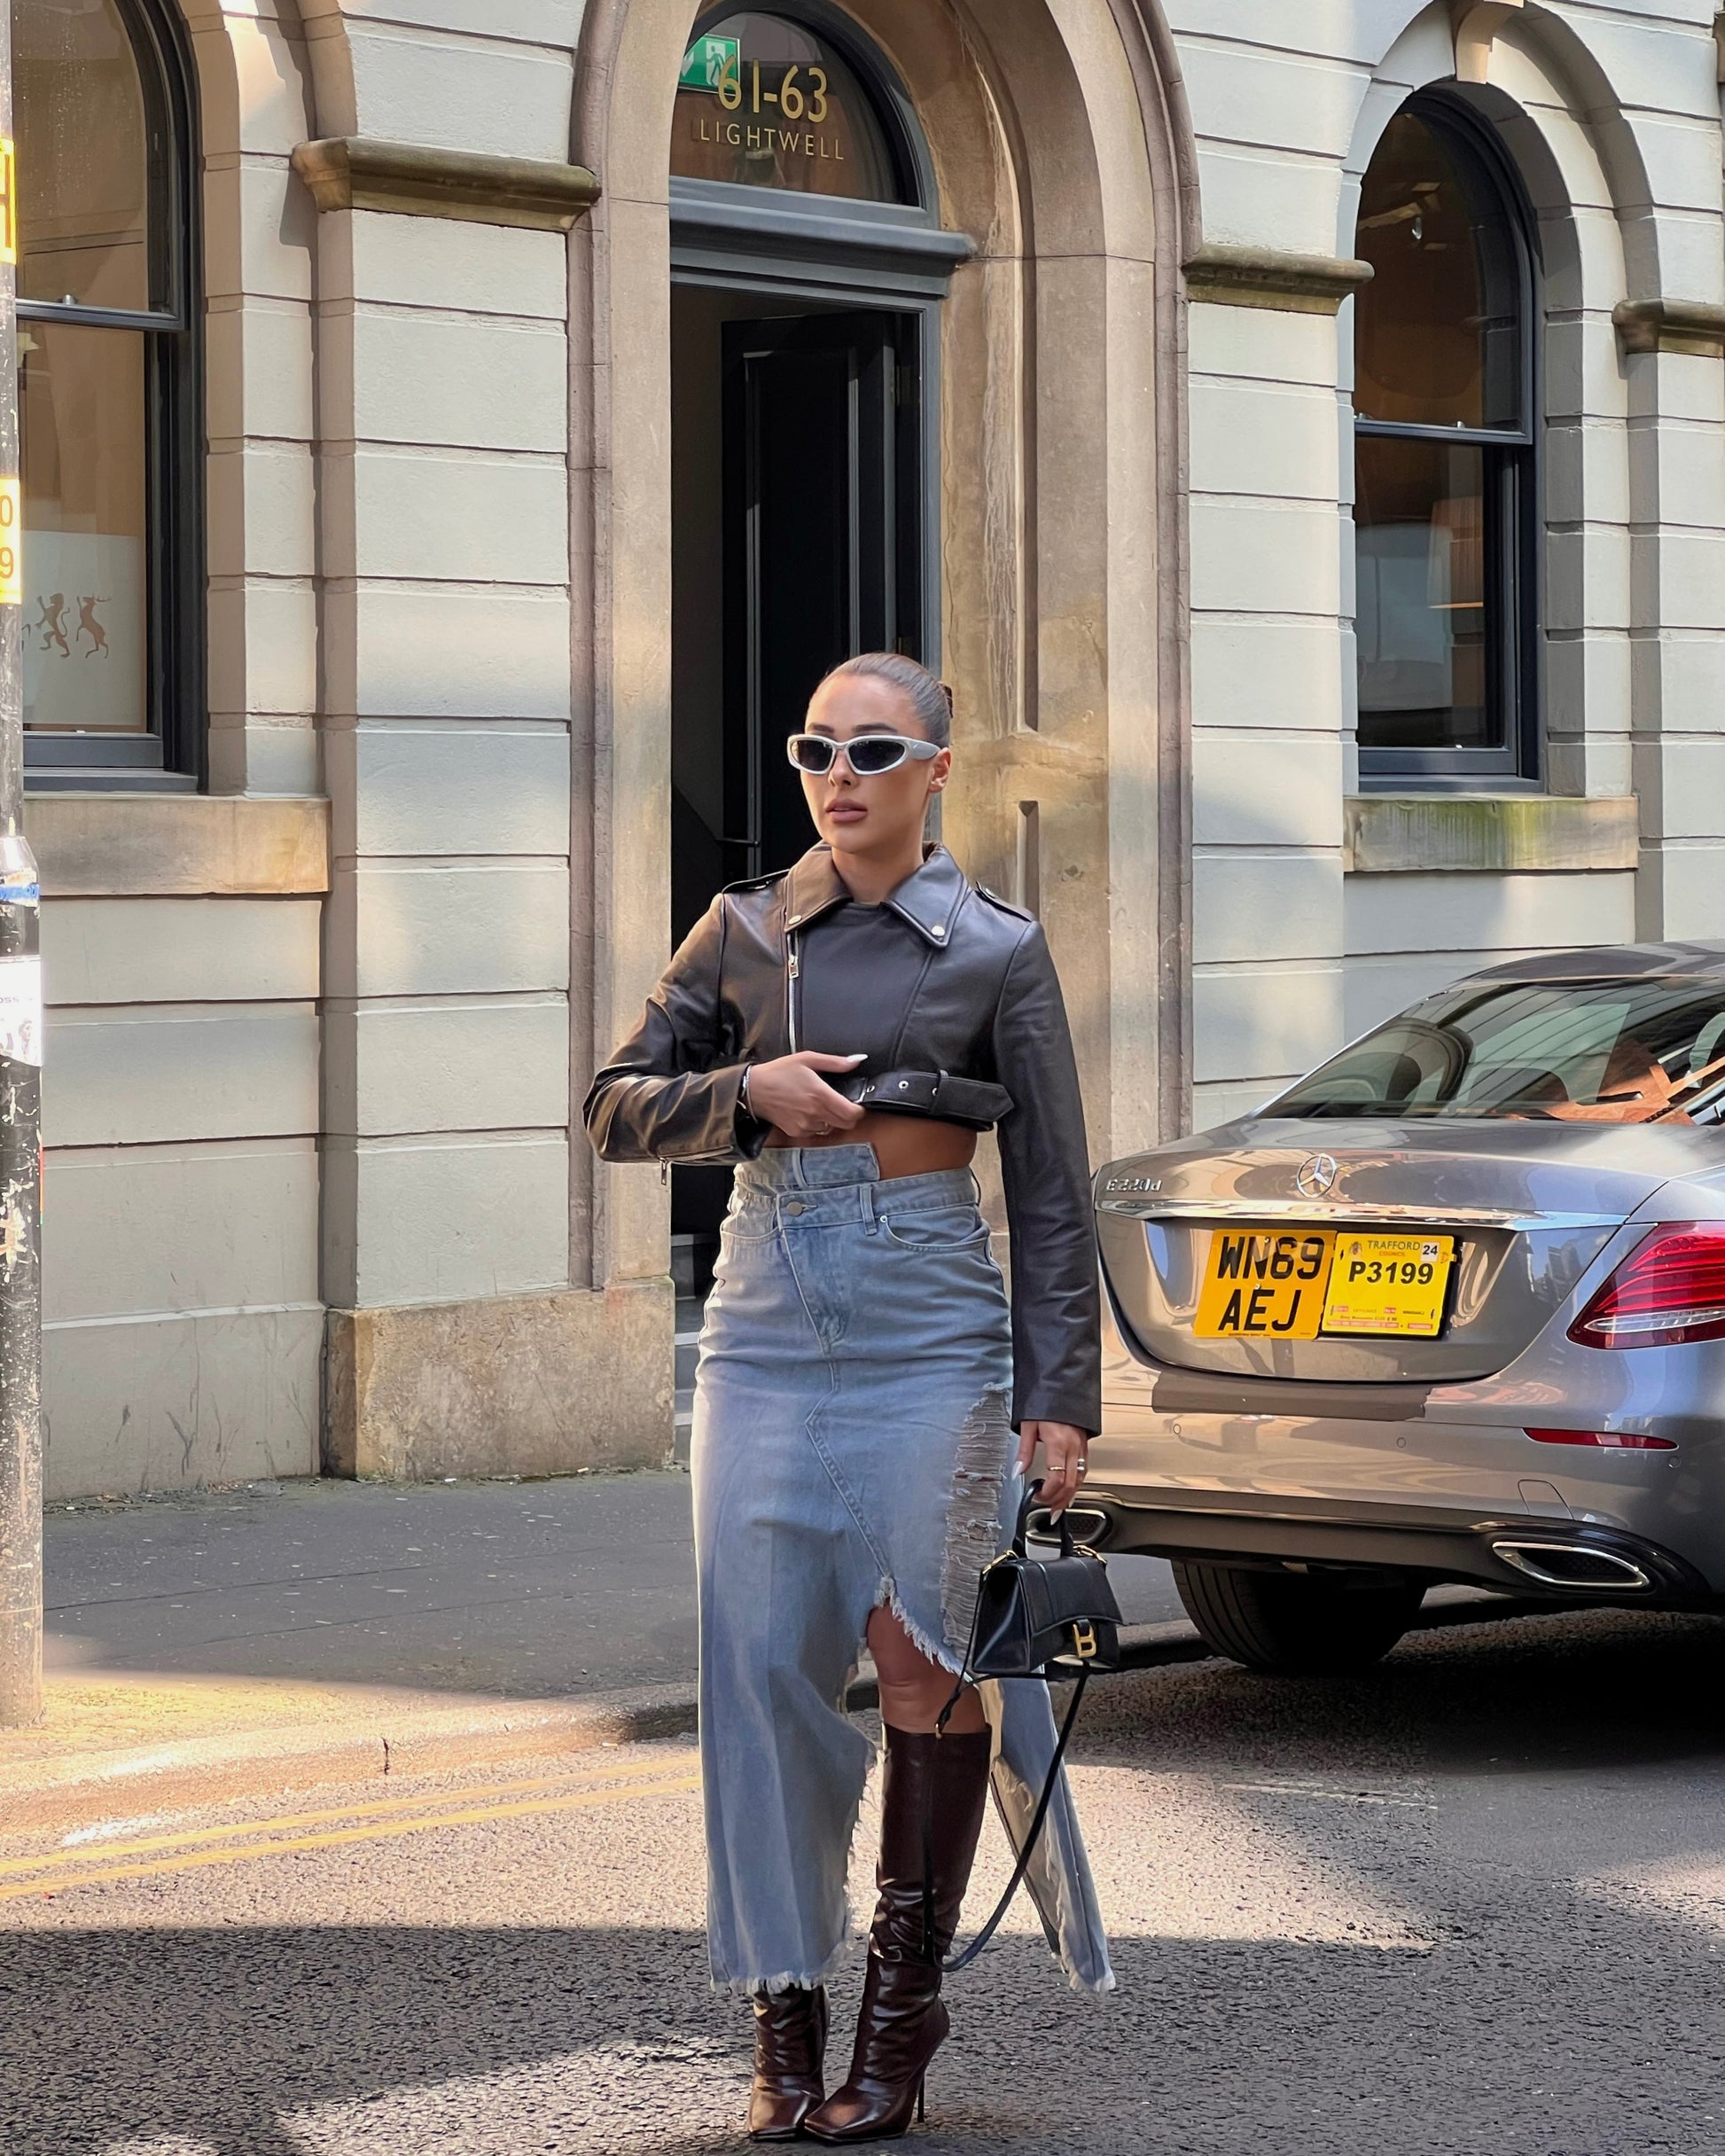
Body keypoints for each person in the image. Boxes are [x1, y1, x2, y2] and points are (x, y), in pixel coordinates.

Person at [583, 651, 1113, 2144]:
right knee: (752, 1671)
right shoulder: (741, 928)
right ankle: (781, 2020)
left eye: (873, 750)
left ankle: (899, 2016)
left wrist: (1058, 1393)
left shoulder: (998, 951)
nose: (838, 775)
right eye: (816, 748)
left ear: (936, 770)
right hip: (760, 1318)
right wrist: (745, 1096)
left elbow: (1057, 1193)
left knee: (923, 1661)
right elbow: (613, 1103)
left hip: (930, 1323)